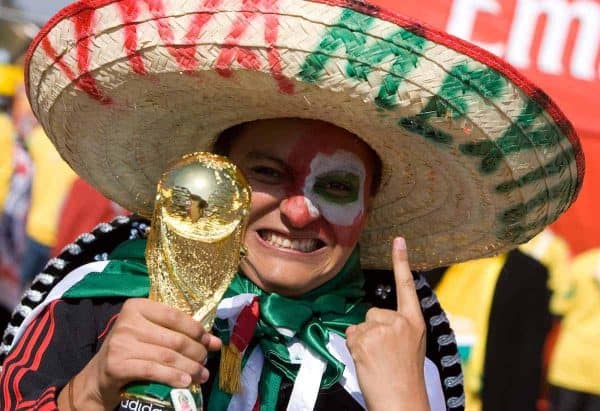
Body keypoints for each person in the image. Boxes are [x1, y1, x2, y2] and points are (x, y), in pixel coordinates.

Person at [0, 0, 583, 410]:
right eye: (268, 174)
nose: (301, 213)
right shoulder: (104, 294)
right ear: (216, 176)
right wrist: (92, 391)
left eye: (335, 188)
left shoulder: (403, 355)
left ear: (370, 206)